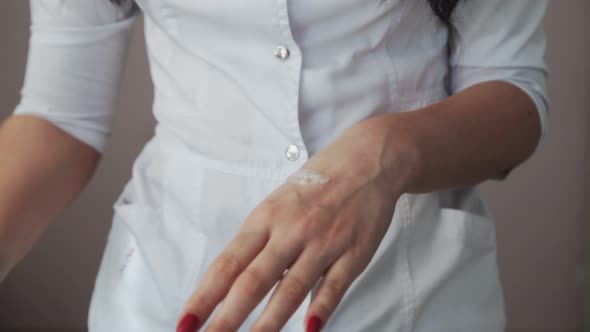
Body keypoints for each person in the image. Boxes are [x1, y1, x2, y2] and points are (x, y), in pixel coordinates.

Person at [0, 0, 549, 331]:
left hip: (408, 293)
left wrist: (382, 155)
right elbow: (58, 118)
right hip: (167, 287)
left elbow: (513, 92)